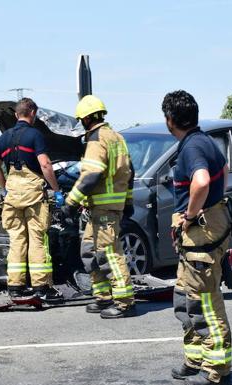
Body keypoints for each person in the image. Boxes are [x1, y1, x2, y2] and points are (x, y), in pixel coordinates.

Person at [163, 90, 232, 385]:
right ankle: (195, 359)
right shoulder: (204, 141)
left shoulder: (192, 147)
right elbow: (225, 170)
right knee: (185, 297)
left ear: (170, 120)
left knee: (204, 301)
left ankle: (217, 371)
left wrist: (190, 216)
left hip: (201, 232)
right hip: (208, 226)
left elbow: (202, 181)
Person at [62, 95, 136, 319]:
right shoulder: (117, 138)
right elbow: (129, 171)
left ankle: (125, 302)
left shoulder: (96, 139)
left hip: (104, 209)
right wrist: (128, 201)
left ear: (86, 119)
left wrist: (70, 202)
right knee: (89, 251)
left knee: (109, 254)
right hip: (103, 208)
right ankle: (103, 296)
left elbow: (91, 175)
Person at [0, 97, 65, 301]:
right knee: (37, 240)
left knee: (17, 241)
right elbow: (46, 165)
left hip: (13, 195)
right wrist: (56, 190)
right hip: (33, 195)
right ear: (32, 113)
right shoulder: (35, 135)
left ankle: (15, 286)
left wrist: (6, 188)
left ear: (16, 114)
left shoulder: (3, 138)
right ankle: (41, 287)